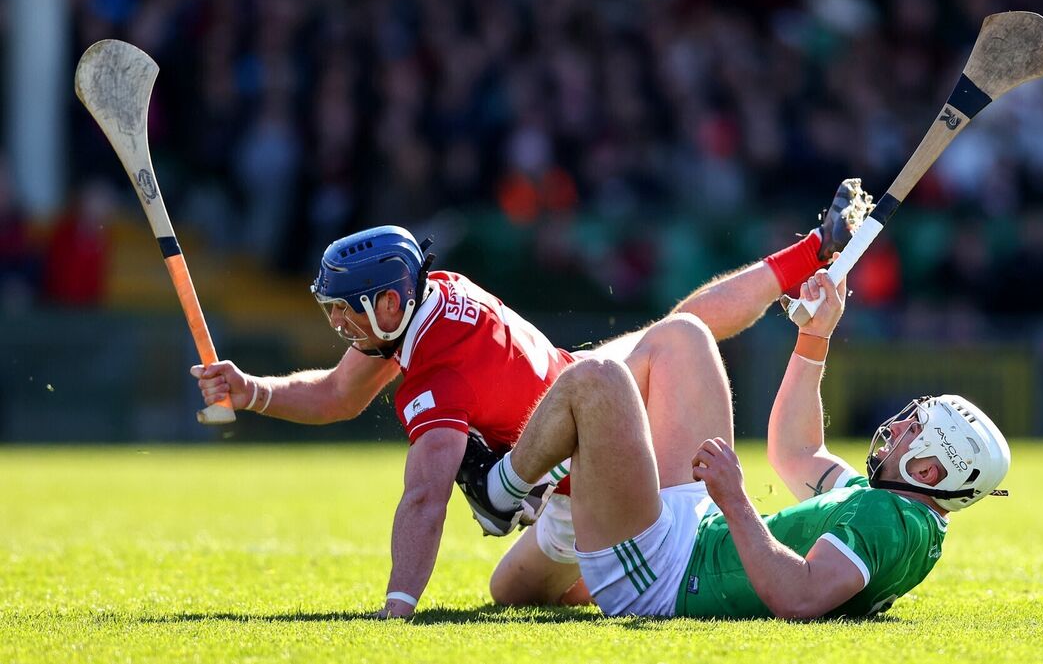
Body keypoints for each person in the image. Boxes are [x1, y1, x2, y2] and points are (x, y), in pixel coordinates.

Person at [190, 180, 875, 618]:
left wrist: (397, 609)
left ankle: (508, 486)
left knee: (676, 337)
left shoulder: (436, 373)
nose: (337, 324)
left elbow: (425, 496)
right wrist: (250, 390)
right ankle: (814, 250)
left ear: (390, 300)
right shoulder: (432, 297)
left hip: (579, 473)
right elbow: (339, 391)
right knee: (680, 331)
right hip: (577, 390)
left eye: (345, 312)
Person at [480, 268, 1010, 619]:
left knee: (598, 380)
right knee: (683, 335)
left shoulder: (889, 521)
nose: (896, 430)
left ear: (929, 473)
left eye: (913, 433)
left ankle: (504, 487)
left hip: (666, 572)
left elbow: (798, 596)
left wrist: (733, 497)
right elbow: (796, 453)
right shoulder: (899, 511)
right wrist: (815, 337)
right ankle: (559, 489)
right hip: (691, 533)